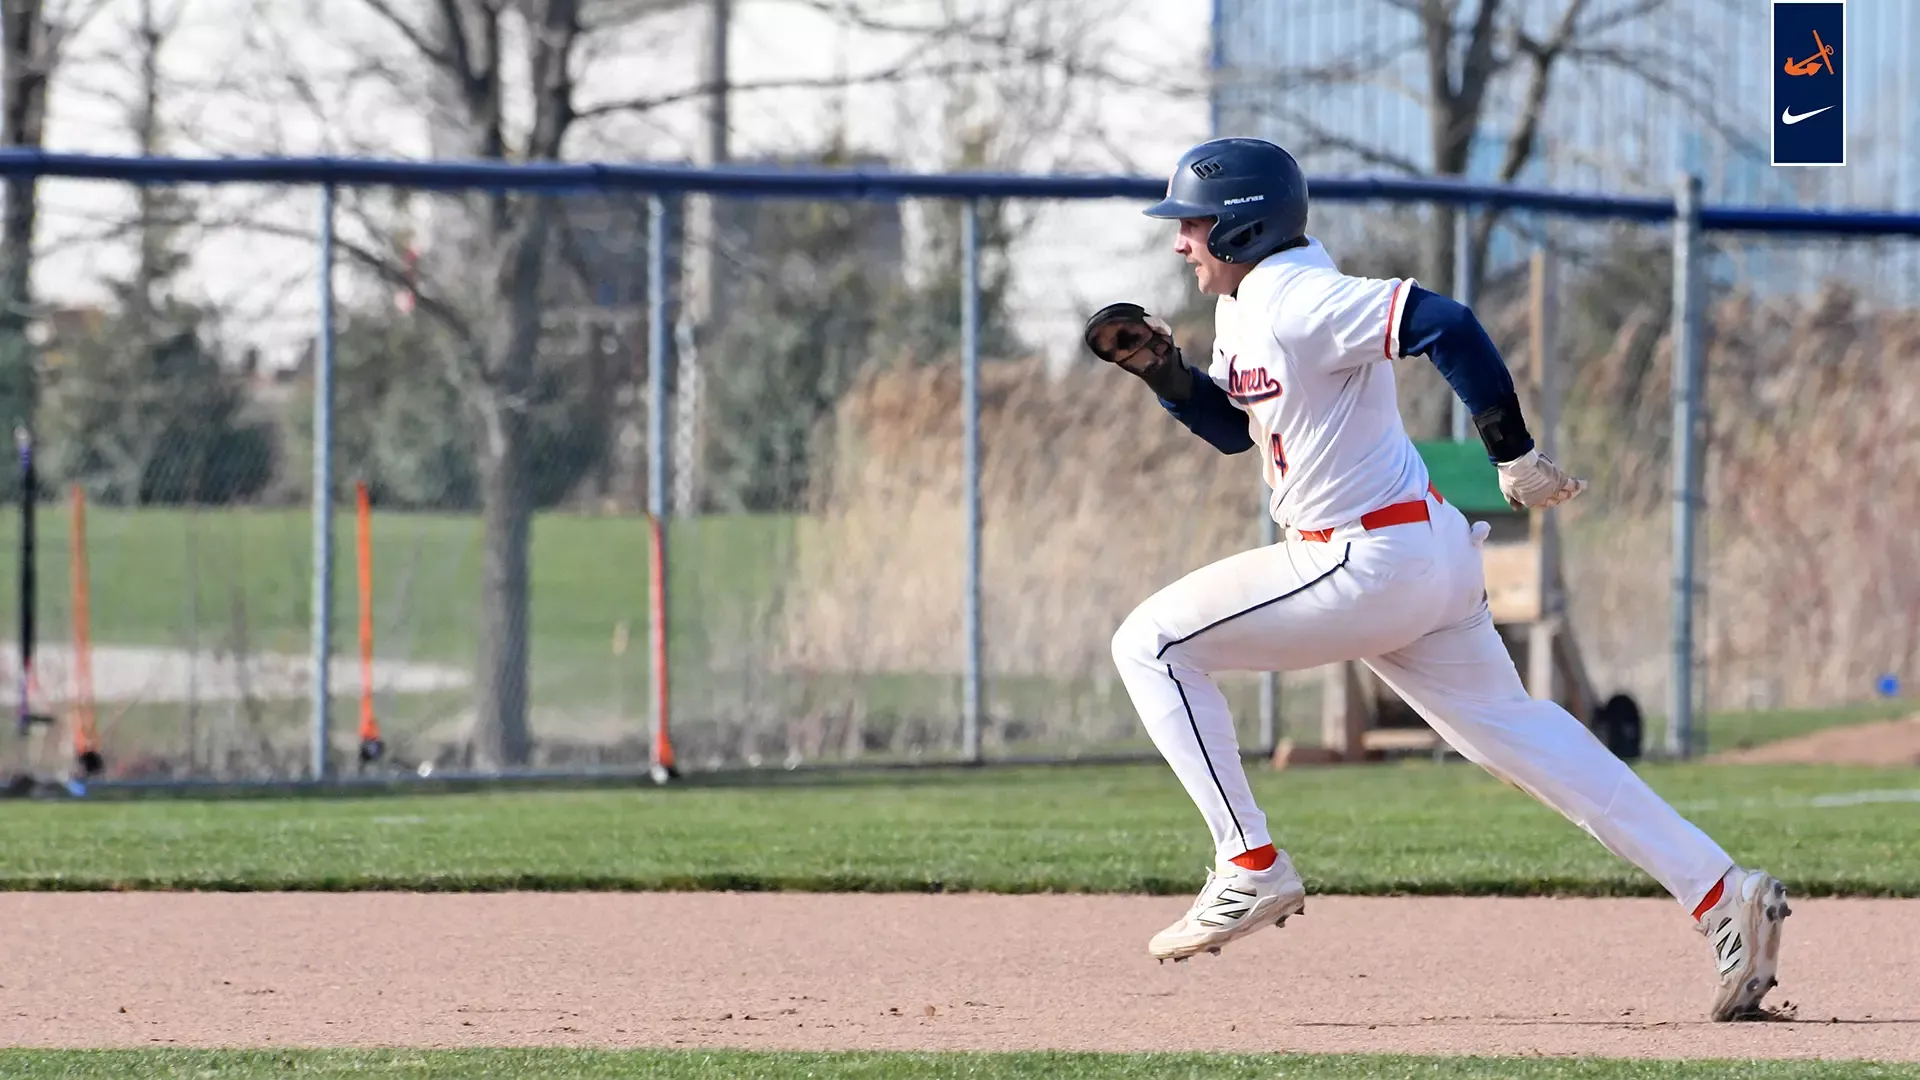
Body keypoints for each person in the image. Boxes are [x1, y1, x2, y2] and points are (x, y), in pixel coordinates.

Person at [1083, 136, 1789, 1023]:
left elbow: (1445, 324)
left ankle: (1249, 865)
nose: (1179, 242)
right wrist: (1167, 373)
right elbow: (1236, 431)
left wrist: (1512, 451)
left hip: (1362, 559)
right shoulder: (1252, 302)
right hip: (1420, 560)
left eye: (1190, 223)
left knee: (1149, 643)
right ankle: (1722, 890)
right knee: (1528, 742)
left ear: (1240, 223)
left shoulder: (1299, 295)